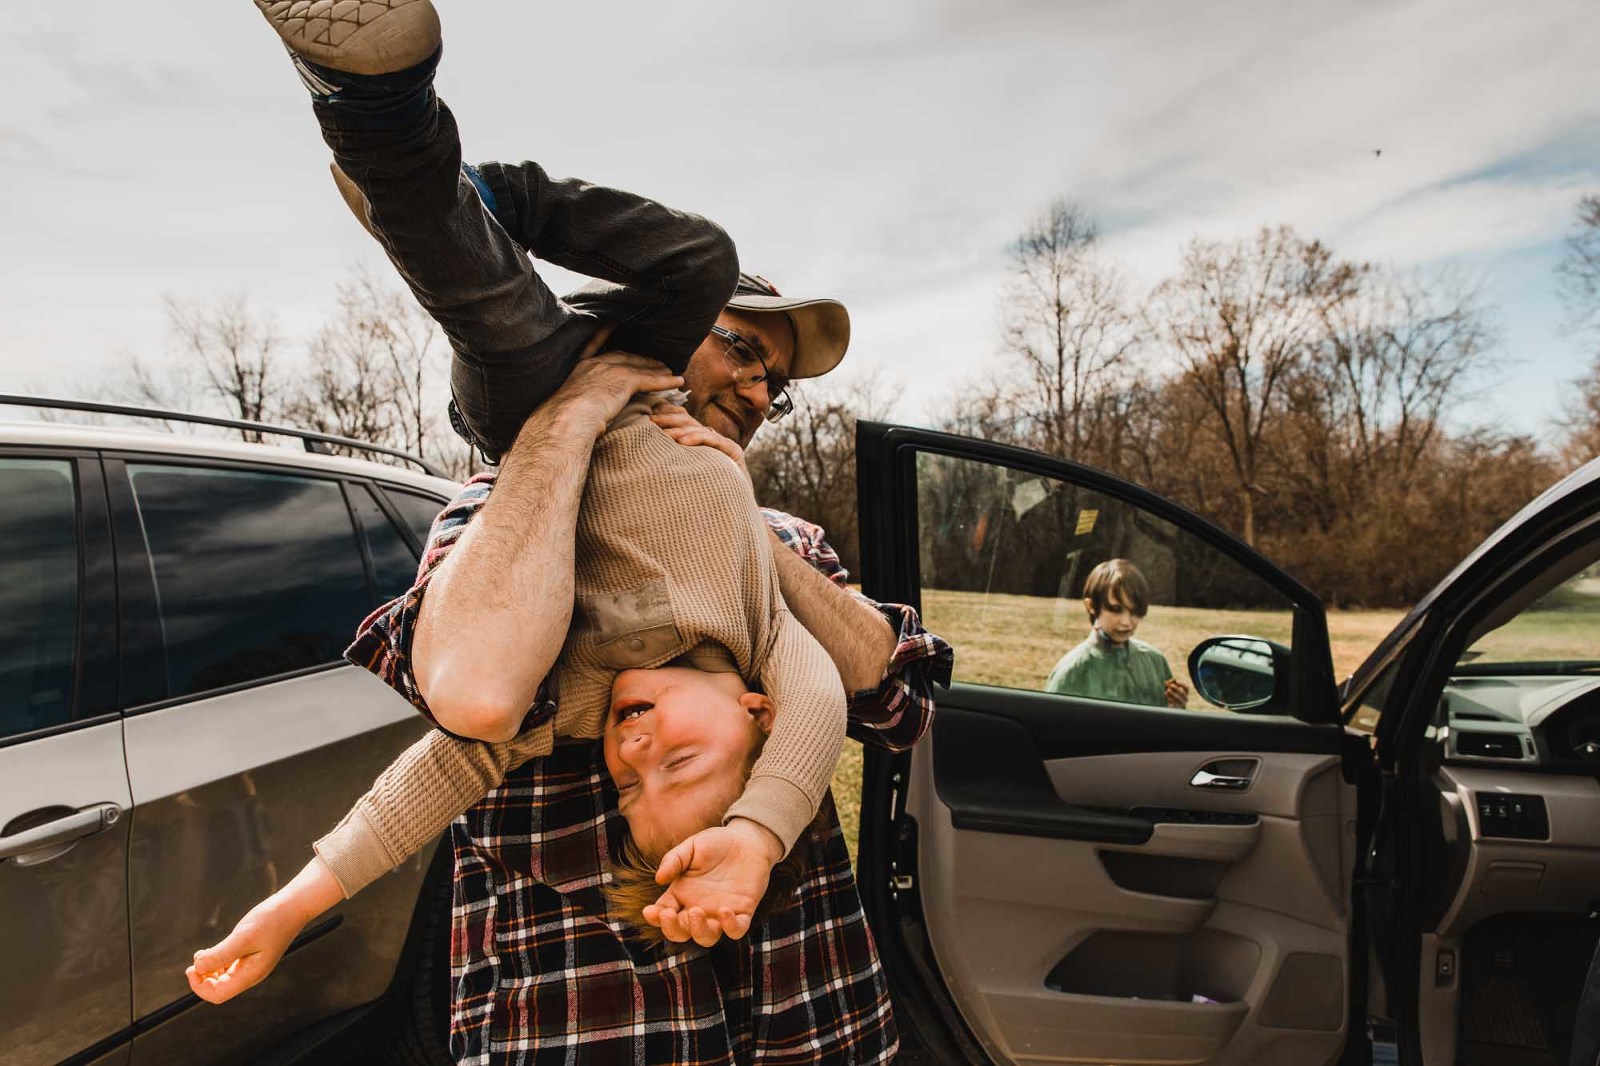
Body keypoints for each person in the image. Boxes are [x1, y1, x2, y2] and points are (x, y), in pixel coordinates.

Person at [194, 3, 953, 1061]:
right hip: (594, 370)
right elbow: (823, 699)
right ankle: (469, 196)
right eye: (742, 347)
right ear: (754, 708)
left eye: (776, 385)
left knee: (493, 312)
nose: (631, 755)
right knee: (698, 255)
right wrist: (759, 820)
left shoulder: (758, 566)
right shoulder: (498, 510)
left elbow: (890, 700)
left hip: (690, 1019)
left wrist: (290, 901)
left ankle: (379, 110)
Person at [1045, 558, 1188, 709]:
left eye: (1135, 611)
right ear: (1092, 606)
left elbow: (1164, 727)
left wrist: (1175, 709)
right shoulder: (1073, 670)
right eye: (1116, 609)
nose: (1126, 622)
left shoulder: (1155, 661)